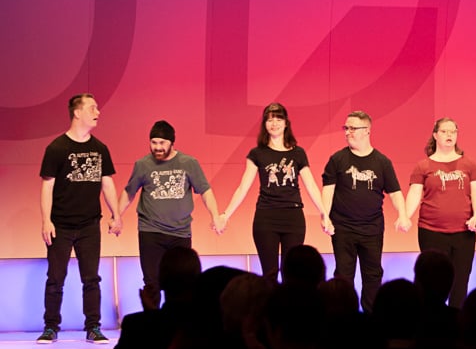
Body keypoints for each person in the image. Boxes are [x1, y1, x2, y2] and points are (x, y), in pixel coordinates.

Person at [38, 93, 122, 344]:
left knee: (91, 278)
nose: (98, 112)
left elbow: (107, 183)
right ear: (77, 113)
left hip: (89, 225)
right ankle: (51, 327)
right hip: (61, 225)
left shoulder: (100, 149)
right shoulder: (57, 148)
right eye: (92, 108)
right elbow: (47, 187)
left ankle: (93, 327)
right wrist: (46, 220)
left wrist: (116, 215)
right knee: (55, 278)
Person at [219, 102, 333, 283]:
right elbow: (243, 187)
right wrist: (225, 215)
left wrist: (324, 214)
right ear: (264, 124)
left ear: (286, 123)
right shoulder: (257, 153)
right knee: (269, 274)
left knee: (292, 274)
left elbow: (311, 185)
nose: (274, 123)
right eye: (270, 120)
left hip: (293, 217)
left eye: (278, 119)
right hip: (266, 217)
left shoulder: (298, 153)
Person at [114, 120, 221, 311]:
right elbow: (129, 192)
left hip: (180, 232)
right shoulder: (143, 165)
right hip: (150, 231)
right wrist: (116, 216)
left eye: (162, 143)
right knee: (152, 283)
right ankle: (153, 322)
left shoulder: (189, 163)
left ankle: (179, 323)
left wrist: (215, 216)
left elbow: (205, 191)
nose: (157, 147)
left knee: (182, 283)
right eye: (153, 142)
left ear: (172, 142)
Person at [321, 110, 410, 313]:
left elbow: (395, 192)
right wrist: (325, 217)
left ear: (367, 131)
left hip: (372, 228)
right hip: (343, 228)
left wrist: (403, 215)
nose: (348, 132)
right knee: (343, 276)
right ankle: (343, 316)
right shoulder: (337, 159)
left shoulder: (382, 162)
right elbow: (328, 190)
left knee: (373, 275)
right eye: (346, 128)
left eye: (353, 128)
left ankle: (371, 318)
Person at [406, 117, 476, 308]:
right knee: (431, 282)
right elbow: (414, 193)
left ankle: (456, 320)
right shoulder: (423, 166)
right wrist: (405, 216)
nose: (449, 135)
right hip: (431, 231)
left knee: (460, 281)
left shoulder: (469, 165)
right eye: (444, 131)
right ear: (435, 135)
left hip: (463, 233)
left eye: (453, 131)